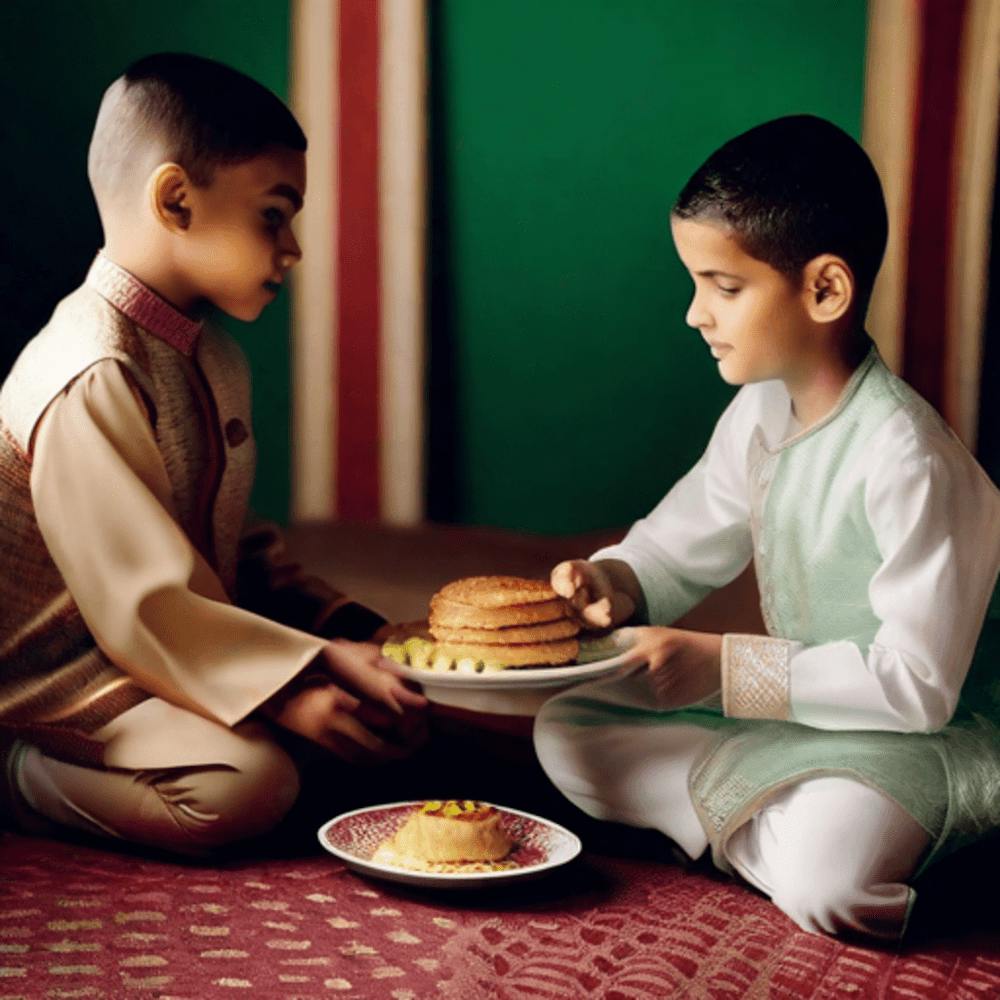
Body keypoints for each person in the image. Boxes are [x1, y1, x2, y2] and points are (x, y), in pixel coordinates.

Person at [534, 115, 1000, 940]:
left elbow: (917, 689)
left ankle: (799, 843)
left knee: (831, 879)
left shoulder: (911, 458)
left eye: (724, 286)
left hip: (928, 739)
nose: (694, 314)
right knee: (567, 725)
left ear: (825, 290)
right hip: (801, 722)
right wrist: (614, 582)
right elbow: (675, 549)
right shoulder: (758, 411)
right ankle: (766, 827)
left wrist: (723, 672)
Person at [0, 53, 426, 856]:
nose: (292, 247)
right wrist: (294, 684)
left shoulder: (208, 354)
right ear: (175, 200)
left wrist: (344, 629)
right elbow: (144, 603)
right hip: (61, 678)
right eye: (275, 213)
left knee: (375, 714)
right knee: (250, 784)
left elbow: (222, 541)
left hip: (168, 652)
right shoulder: (91, 369)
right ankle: (16, 770)